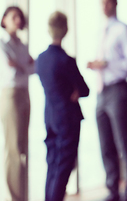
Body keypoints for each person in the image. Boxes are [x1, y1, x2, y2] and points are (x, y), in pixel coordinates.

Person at [87, 0, 127, 201]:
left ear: (115, 3)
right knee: (105, 142)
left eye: (108, 2)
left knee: (123, 140)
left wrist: (106, 64)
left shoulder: (122, 29)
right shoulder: (101, 31)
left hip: (118, 89)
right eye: (102, 3)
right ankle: (112, 189)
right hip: (102, 92)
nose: (105, 6)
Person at [36, 11, 89, 201]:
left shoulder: (40, 59)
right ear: (65, 29)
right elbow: (85, 89)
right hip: (67, 116)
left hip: (49, 116)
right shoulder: (66, 60)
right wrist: (74, 90)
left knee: (52, 162)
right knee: (64, 164)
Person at [0, 6, 34, 201]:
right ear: (4, 19)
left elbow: (33, 68)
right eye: (14, 17)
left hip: (24, 94)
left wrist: (20, 65)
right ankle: (15, 198)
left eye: (20, 17)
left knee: (22, 147)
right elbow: (11, 71)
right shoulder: (2, 43)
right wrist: (24, 66)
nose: (18, 20)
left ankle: (23, 196)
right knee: (13, 148)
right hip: (10, 95)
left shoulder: (21, 44)